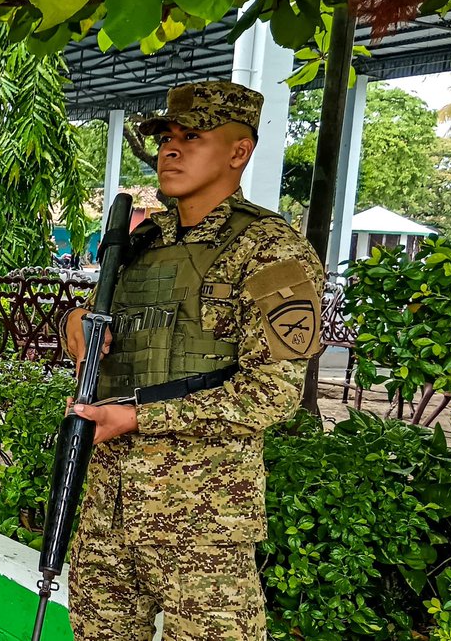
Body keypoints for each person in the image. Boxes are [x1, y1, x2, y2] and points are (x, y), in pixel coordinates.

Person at [60, 81, 324, 640]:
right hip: (108, 509)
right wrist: (74, 328)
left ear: (238, 152)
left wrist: (139, 418)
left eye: (192, 137)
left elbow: (272, 395)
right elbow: (98, 324)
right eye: (166, 138)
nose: (171, 150)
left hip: (203, 523)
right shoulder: (139, 242)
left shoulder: (271, 249)